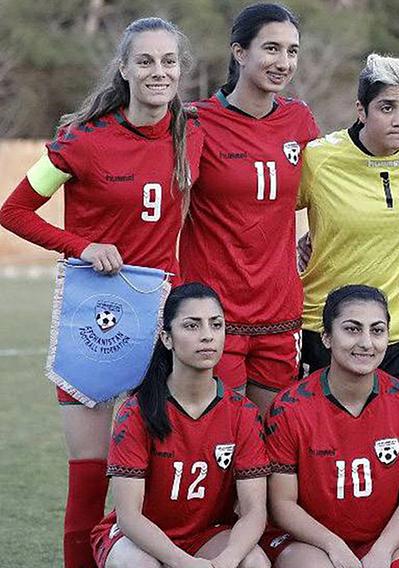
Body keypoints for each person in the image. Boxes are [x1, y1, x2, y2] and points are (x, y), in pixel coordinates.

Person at [0, 17, 202, 567]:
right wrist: (82, 245)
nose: (158, 72)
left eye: (168, 62)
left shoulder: (195, 134)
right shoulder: (83, 141)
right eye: (146, 61)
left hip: (164, 323)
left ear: (181, 70)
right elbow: (12, 212)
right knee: (89, 476)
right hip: (96, 320)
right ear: (125, 68)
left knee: (161, 476)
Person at [179, 3, 320, 412]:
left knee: (273, 445)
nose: (284, 62)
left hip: (280, 311)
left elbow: (326, 193)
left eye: (292, 51)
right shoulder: (196, 121)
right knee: (220, 440)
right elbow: (169, 203)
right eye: (272, 49)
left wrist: (318, 237)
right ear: (239, 52)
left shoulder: (300, 121)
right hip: (213, 314)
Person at [297, 53, 399, 410]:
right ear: (361, 110)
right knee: (325, 448)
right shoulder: (320, 159)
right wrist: (291, 248)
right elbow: (265, 210)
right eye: (387, 107)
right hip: (328, 329)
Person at [91, 283, 270, 568]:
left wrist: (229, 558)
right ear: (167, 338)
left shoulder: (243, 413)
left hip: (207, 535)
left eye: (216, 324)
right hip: (139, 536)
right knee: (137, 564)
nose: (207, 336)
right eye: (192, 326)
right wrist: (182, 562)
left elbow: (253, 511)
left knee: (254, 562)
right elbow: (129, 516)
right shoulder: (137, 411)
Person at [262, 285, 399, 568]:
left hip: (382, 538)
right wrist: (334, 546)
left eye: (377, 331)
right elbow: (282, 504)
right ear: (327, 337)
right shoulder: (289, 408)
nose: (366, 342)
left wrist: (383, 550)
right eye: (352, 329)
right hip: (307, 541)